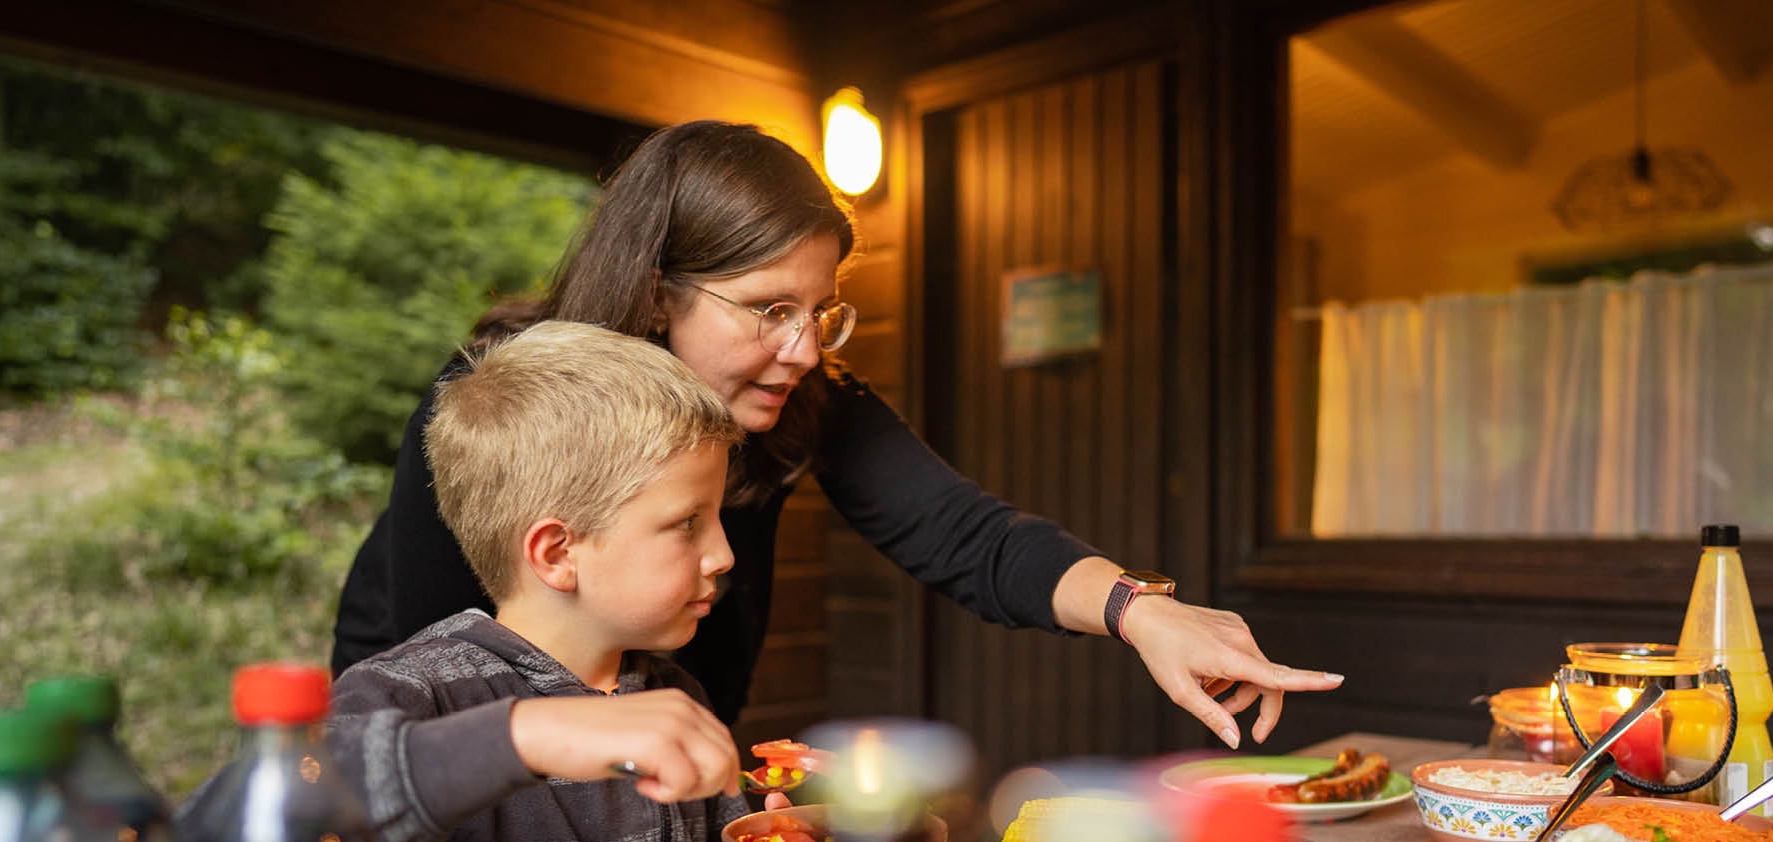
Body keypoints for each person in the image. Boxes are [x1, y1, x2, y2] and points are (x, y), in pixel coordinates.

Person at [332, 120, 1341, 751]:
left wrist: (1137, 610)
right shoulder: (496, 407)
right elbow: (413, 685)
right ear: (653, 295)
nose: (805, 349)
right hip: (464, 777)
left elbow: (970, 537)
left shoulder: (806, 405)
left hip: (672, 770)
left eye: (822, 310)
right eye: (768, 309)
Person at [323, 321, 749, 842]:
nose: (724, 554)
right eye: (688, 523)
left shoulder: (673, 697)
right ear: (556, 553)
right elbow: (291, 807)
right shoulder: (410, 696)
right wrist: (522, 735)